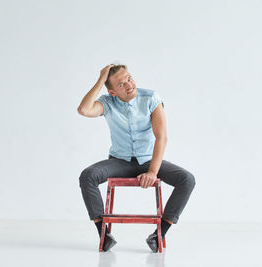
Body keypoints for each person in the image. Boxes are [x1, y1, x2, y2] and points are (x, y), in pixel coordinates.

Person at [77, 64, 196, 252]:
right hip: (119, 161)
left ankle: (159, 235)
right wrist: (101, 79)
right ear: (112, 92)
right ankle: (103, 234)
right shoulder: (107, 102)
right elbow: (84, 110)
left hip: (149, 161)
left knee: (187, 179)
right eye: (121, 84)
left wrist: (152, 172)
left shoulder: (150, 98)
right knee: (87, 176)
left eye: (129, 78)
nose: (129, 85)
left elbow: (162, 137)